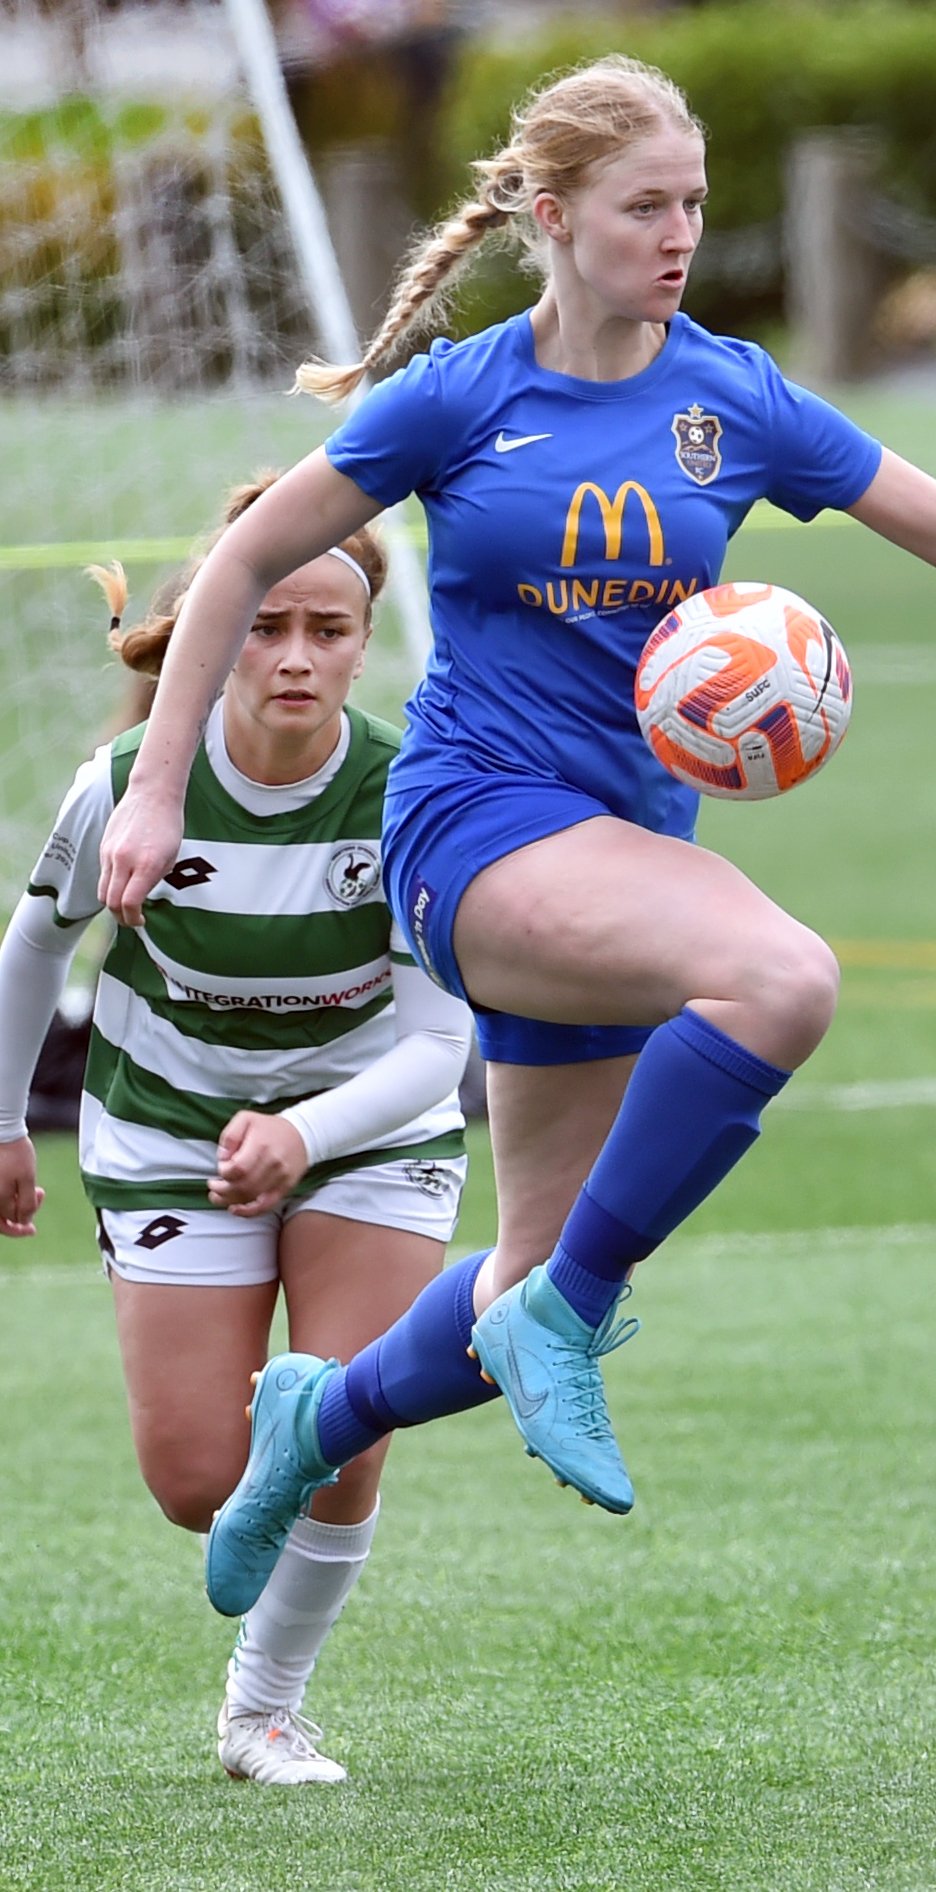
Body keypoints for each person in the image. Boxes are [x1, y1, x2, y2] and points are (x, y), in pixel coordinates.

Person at [95, 51, 936, 1619]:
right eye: (643, 205)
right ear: (551, 217)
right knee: (785, 980)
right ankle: (581, 1311)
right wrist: (154, 787)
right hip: (473, 830)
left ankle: (316, 1420)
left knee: (510, 1284)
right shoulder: (464, 395)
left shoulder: (733, 396)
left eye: (693, 202)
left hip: (619, 855)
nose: (678, 232)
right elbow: (235, 566)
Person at [0, 472, 472, 1780]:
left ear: (365, 639)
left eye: (329, 629)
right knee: (203, 1485)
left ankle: (266, 1711)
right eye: (265, 626)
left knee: (340, 1429)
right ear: (214, 628)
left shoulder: (407, 795)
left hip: (369, 1128)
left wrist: (308, 1133)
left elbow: (443, 1040)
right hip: (164, 1129)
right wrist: (0, 1120)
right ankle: (272, 1461)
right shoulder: (124, 788)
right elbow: (32, 951)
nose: (296, 656)